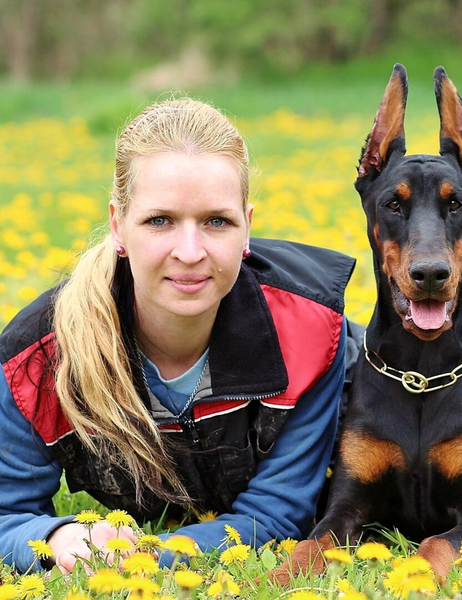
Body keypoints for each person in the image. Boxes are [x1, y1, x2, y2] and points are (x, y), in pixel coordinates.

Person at [0, 98, 356, 573]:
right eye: (160, 220)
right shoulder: (37, 358)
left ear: (247, 227)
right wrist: (59, 538)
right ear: (117, 225)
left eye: (216, 221)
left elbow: (277, 515)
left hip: (391, 365)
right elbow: (6, 516)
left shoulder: (312, 329)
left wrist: (145, 556)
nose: (190, 252)